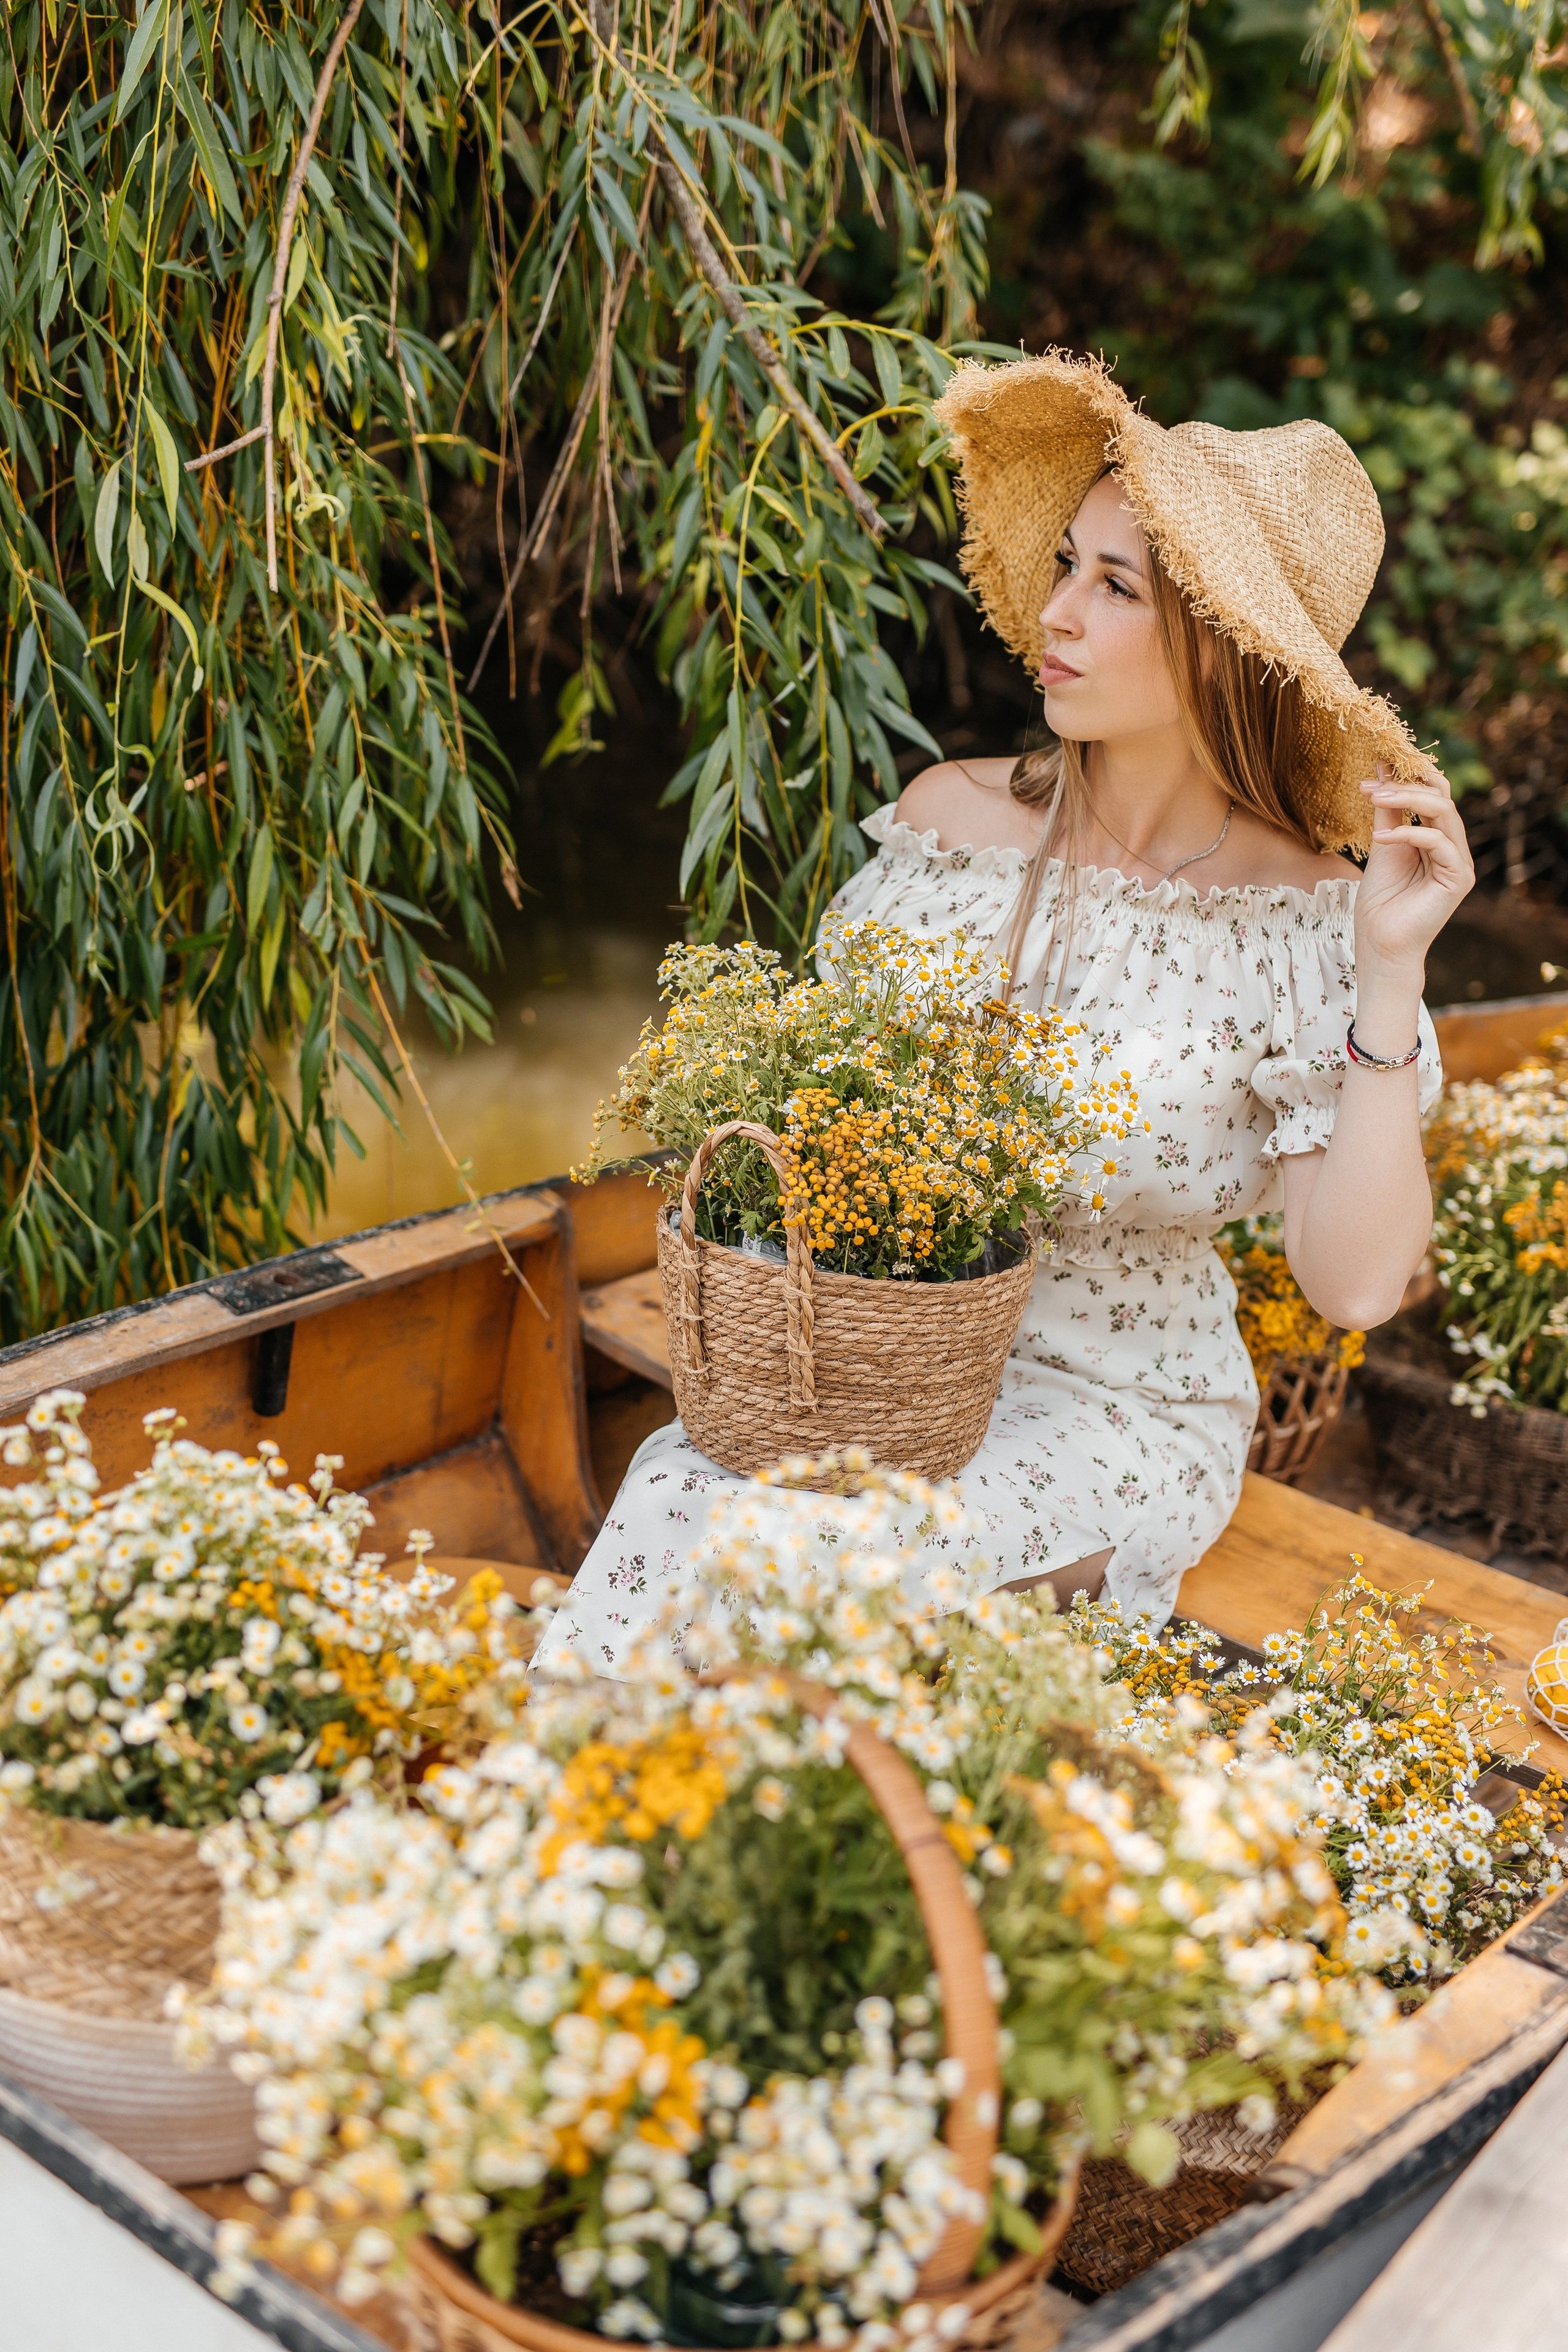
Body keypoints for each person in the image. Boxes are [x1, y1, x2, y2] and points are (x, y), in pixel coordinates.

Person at [538, 348, 1473, 1675]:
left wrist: (1388, 973)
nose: (1057, 613)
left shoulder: (1299, 924)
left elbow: (1356, 1284)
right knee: (684, 1489)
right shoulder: (950, 831)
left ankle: (654, 1838)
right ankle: (571, 1832)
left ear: (1220, 646)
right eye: (1062, 569)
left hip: (1114, 1408)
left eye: (1113, 585)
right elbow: (808, 1124)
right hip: (868, 1359)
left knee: (805, 1563)